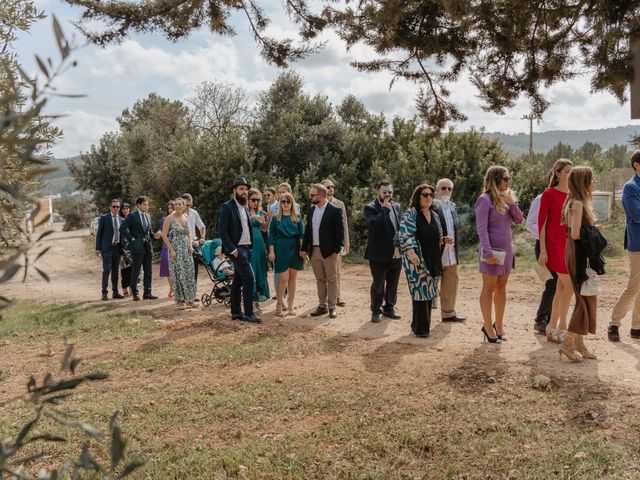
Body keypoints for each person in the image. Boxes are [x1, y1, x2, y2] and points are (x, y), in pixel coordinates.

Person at [560, 166, 604, 361]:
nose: (594, 182)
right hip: (579, 256)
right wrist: (595, 231)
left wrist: (593, 228)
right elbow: (576, 233)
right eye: (592, 179)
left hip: (577, 252)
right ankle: (567, 343)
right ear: (583, 182)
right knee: (583, 299)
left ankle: (579, 342)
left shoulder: (575, 202)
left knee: (585, 297)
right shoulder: (577, 204)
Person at [475, 166, 523, 343]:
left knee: (502, 288)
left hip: (506, 252)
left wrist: (511, 202)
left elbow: (519, 220)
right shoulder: (484, 200)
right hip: (491, 251)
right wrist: (486, 252)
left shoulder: (507, 199)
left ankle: (499, 326)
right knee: (488, 289)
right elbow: (481, 228)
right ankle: (487, 326)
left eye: (508, 178)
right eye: (505, 178)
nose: (508, 181)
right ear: (495, 179)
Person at [400, 184, 452, 338]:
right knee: (419, 293)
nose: (429, 197)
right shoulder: (411, 214)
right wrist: (411, 252)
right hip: (416, 260)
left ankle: (417, 325)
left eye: (431, 194)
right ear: (418, 196)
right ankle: (421, 329)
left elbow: (435, 237)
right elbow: (404, 235)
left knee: (428, 293)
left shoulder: (434, 215)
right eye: (425, 194)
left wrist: (444, 239)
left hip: (432, 258)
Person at [538, 159, 574, 344]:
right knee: (570, 286)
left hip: (569, 245)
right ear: (558, 173)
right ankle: (563, 326)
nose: (570, 174)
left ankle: (551, 328)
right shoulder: (549, 194)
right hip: (553, 245)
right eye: (567, 171)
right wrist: (543, 250)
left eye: (571, 171)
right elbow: (542, 224)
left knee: (561, 287)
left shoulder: (573, 194)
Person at [218, 177, 260, 323]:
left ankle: (236, 313)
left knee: (238, 279)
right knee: (249, 277)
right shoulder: (227, 207)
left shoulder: (245, 208)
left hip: (247, 248)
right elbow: (222, 231)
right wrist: (233, 250)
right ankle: (249, 314)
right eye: (241, 189)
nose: (245, 191)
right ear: (234, 190)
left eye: (246, 189)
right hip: (237, 250)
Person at [609, 151, 640, 342]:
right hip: (638, 243)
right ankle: (614, 323)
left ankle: (636, 327)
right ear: (636, 165)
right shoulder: (630, 187)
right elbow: (637, 215)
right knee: (633, 287)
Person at [301, 183, 344, 319]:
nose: (311, 197)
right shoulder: (312, 210)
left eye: (313, 194)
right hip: (315, 250)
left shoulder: (335, 210)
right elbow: (308, 230)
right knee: (319, 279)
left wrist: (336, 251)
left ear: (321, 195)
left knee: (331, 279)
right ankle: (322, 305)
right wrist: (304, 248)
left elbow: (340, 233)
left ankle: (332, 307)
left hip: (330, 252)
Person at [364, 181, 404, 323]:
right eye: (384, 192)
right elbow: (374, 224)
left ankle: (389, 308)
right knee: (378, 284)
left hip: (396, 252)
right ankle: (376, 310)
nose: (387, 195)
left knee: (393, 284)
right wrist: (385, 210)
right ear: (378, 193)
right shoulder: (370, 207)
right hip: (378, 254)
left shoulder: (398, 206)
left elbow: (401, 226)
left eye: (390, 192)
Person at [526, 193, 558, 334]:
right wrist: (546, 236)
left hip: (559, 245)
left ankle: (551, 319)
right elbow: (530, 224)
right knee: (551, 282)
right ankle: (541, 320)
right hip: (544, 245)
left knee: (560, 283)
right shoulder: (540, 199)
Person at [433, 178, 465, 322]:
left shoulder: (452, 206)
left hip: (451, 251)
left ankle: (448, 313)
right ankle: (423, 316)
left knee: (451, 281)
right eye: (443, 188)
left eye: (449, 189)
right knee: (431, 282)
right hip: (436, 250)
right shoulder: (431, 205)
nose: (446, 191)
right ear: (437, 190)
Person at [269, 192, 305, 317]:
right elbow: (271, 236)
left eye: (288, 201)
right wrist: (271, 251)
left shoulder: (297, 217)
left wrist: (302, 250)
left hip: (295, 249)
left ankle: (290, 306)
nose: (285, 204)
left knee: (293, 279)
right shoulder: (275, 218)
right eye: (283, 201)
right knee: (283, 279)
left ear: (292, 203)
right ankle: (279, 304)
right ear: (280, 203)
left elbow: (301, 235)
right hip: (281, 249)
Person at [161, 198, 197, 309]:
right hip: (175, 249)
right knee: (177, 274)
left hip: (186, 249)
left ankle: (190, 299)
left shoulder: (185, 216)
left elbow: (189, 233)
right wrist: (171, 250)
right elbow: (163, 235)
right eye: (175, 204)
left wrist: (190, 246)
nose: (177, 206)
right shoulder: (169, 218)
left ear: (184, 206)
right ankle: (180, 301)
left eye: (179, 204)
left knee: (189, 273)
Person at [121, 196, 158, 301]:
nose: (147, 206)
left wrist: (155, 235)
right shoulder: (132, 216)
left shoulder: (148, 216)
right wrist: (132, 239)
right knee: (136, 271)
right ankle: (135, 294)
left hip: (148, 247)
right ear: (138, 205)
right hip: (137, 248)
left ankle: (147, 293)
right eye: (145, 204)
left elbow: (148, 231)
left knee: (148, 271)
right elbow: (122, 228)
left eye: (147, 204)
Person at [322, 178, 349, 307]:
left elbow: (344, 224)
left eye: (332, 186)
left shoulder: (340, 204)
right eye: (327, 187)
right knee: (324, 273)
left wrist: (346, 242)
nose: (331, 189)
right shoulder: (318, 204)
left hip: (336, 243)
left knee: (337, 271)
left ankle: (337, 297)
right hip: (322, 244)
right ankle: (326, 298)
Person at [95, 198, 124, 301]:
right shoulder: (104, 218)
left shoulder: (122, 220)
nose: (116, 208)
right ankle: (104, 293)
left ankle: (115, 292)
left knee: (116, 271)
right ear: (110, 207)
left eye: (118, 206)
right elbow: (99, 234)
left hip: (117, 248)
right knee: (107, 270)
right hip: (107, 248)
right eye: (114, 206)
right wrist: (98, 248)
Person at [248, 188, 270, 315]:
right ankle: (250, 300)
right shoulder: (245, 211)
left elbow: (264, 229)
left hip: (260, 244)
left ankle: (257, 300)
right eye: (253, 199)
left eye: (258, 200)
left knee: (260, 271)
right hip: (250, 245)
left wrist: (267, 220)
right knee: (252, 270)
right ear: (248, 199)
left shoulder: (260, 212)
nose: (256, 202)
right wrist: (254, 216)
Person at [182, 193, 206, 291]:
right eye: (186, 205)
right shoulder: (177, 214)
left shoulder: (194, 212)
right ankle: (184, 293)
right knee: (184, 270)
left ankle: (193, 292)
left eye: (190, 205)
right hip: (182, 245)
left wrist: (202, 237)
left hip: (194, 244)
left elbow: (202, 226)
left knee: (194, 269)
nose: (188, 207)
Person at [157, 201, 176, 298]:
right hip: (166, 245)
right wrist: (158, 233)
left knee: (177, 267)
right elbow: (161, 230)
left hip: (177, 244)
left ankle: (178, 288)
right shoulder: (165, 219)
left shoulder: (179, 218)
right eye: (168, 208)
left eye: (172, 208)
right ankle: (172, 288)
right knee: (168, 268)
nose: (170, 210)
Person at [118, 203, 136, 296]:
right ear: (121, 210)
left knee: (133, 269)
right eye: (124, 209)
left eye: (127, 208)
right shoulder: (120, 220)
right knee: (124, 269)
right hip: (122, 248)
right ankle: (124, 287)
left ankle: (132, 287)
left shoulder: (132, 219)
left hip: (132, 248)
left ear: (129, 209)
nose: (125, 210)